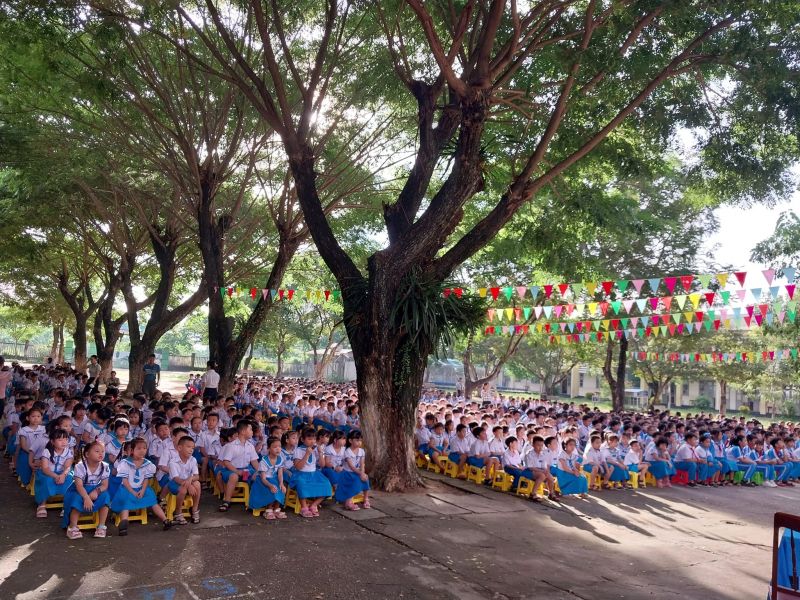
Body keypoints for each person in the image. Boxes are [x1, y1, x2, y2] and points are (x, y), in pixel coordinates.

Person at [110, 438, 172, 535]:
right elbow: (125, 481)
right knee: (126, 501)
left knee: (152, 500)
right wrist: (133, 492)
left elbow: (146, 479)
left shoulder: (148, 464)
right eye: (138, 448)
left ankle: (165, 520)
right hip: (127, 488)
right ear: (132, 451)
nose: (142, 451)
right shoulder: (125, 463)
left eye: (144, 448)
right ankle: (124, 524)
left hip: (142, 488)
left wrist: (142, 490)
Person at [63, 439, 111, 539]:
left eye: (102, 451)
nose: (101, 453)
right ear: (87, 454)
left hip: (95, 489)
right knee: (76, 499)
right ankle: (73, 527)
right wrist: (86, 498)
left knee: (106, 496)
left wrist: (96, 491)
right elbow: (79, 486)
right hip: (79, 490)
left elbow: (105, 485)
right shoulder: (80, 466)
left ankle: (101, 526)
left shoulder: (105, 466)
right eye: (97, 451)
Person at [217, 420, 259, 512]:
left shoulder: (250, 446)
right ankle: (226, 501)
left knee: (258, 476)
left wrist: (260, 472)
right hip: (231, 470)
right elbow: (226, 462)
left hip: (246, 470)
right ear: (243, 432)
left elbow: (254, 462)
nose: (252, 432)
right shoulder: (231, 446)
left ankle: (254, 502)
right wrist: (237, 471)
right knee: (234, 477)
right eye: (250, 429)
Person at [291, 428, 333, 518]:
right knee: (301, 484)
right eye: (309, 439)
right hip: (301, 474)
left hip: (314, 474)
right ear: (302, 440)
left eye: (314, 439)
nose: (312, 441)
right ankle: (304, 507)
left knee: (326, 484)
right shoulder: (298, 450)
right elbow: (298, 467)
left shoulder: (316, 449)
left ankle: (314, 505)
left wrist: (320, 453)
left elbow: (322, 465)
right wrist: (306, 454)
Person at [34, 428, 74, 518]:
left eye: (66, 439)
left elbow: (68, 466)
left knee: (69, 480)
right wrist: (55, 476)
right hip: (48, 473)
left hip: (63, 472)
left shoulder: (68, 452)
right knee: (46, 480)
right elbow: (45, 468)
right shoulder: (47, 451)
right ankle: (42, 504)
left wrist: (63, 475)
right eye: (60, 440)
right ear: (52, 441)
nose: (63, 442)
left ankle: (66, 505)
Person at [248, 436, 287, 519]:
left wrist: (281, 483)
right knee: (272, 488)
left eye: (279, 446)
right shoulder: (264, 461)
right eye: (275, 447)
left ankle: (276, 509)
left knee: (280, 487)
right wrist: (270, 485)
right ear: (268, 448)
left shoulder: (280, 459)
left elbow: (280, 474)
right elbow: (263, 479)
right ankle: (268, 510)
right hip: (262, 482)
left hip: (274, 479)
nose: (278, 449)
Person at [166, 436, 202, 524]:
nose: (191, 450)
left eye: (192, 448)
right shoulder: (173, 462)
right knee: (183, 490)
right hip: (174, 483)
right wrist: (189, 485)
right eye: (188, 447)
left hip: (187, 482)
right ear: (179, 448)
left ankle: (194, 509)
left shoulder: (193, 460)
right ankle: (178, 512)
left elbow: (197, 476)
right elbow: (176, 479)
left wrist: (190, 479)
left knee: (197, 484)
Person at [335, 430, 370, 510]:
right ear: (350, 440)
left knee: (366, 479)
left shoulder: (361, 451)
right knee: (356, 480)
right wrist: (360, 474)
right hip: (347, 473)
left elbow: (362, 464)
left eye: (360, 440)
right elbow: (351, 467)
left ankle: (366, 498)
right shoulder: (347, 452)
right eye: (357, 440)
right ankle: (349, 501)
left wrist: (363, 473)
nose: (359, 442)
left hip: (358, 472)